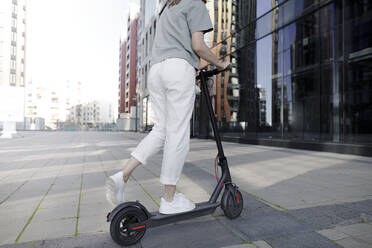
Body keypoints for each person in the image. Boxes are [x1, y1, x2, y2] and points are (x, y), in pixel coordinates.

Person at [106, 0, 230, 214]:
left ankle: (122, 175)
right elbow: (198, 46)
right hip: (178, 71)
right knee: (178, 134)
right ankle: (170, 200)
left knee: (161, 129)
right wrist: (220, 64)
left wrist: (199, 66)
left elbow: (182, 53)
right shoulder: (196, 4)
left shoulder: (169, 8)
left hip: (157, 72)